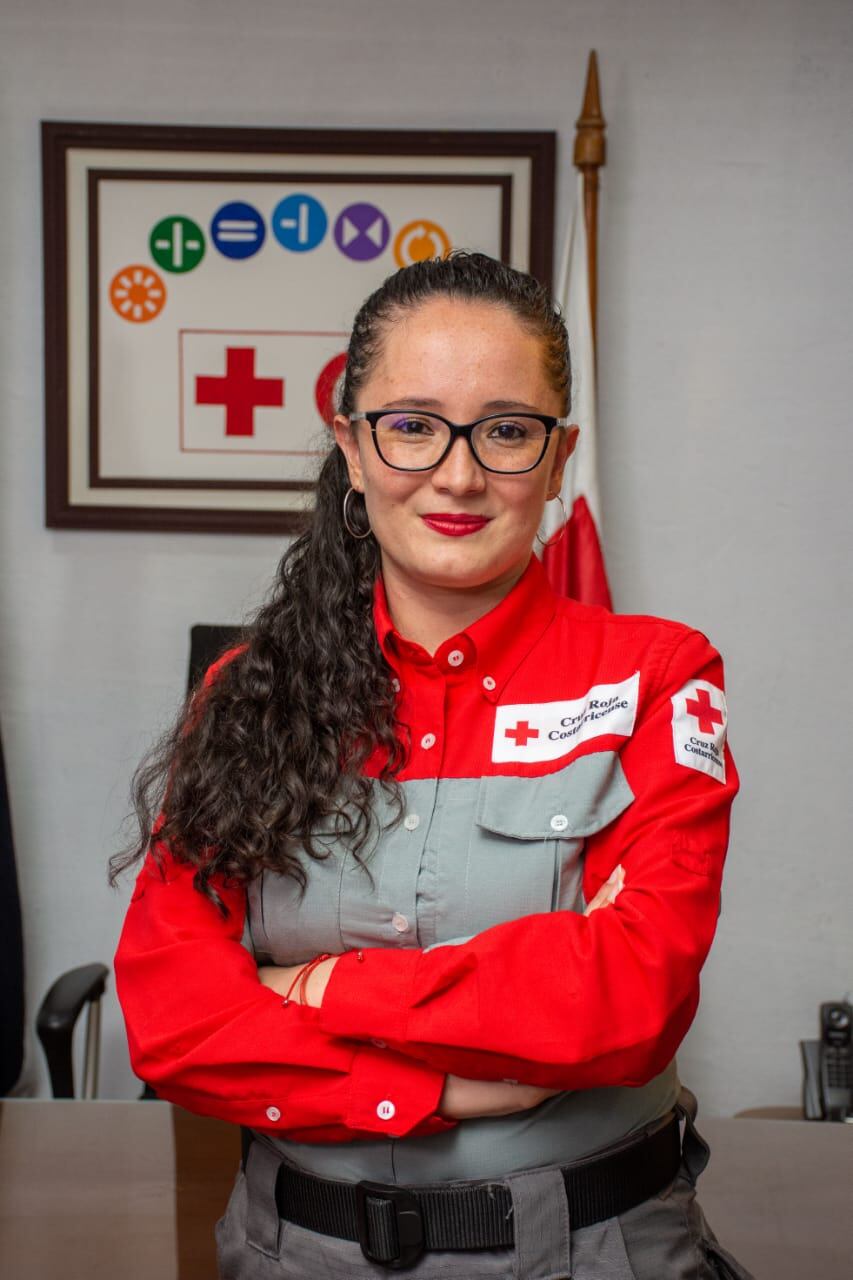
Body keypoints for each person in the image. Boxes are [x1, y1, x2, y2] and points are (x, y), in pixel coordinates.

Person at [113, 251, 753, 1279]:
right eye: (412, 425)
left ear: (556, 458)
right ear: (352, 447)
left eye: (506, 430)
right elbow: (174, 1020)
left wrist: (313, 985)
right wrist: (435, 1086)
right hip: (291, 1255)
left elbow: (629, 996)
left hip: (587, 1256)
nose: (458, 474)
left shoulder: (657, 677)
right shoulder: (245, 696)